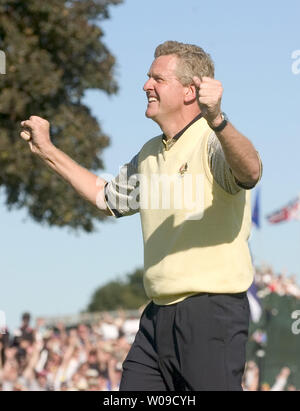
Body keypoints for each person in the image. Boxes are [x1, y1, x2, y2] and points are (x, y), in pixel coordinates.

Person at [20, 40, 262, 391]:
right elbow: (106, 199)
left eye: (157, 79)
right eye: (149, 77)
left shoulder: (212, 140)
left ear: (190, 91)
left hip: (211, 315)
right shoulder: (149, 153)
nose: (146, 85)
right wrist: (48, 151)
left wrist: (219, 120)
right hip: (156, 317)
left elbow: (251, 171)